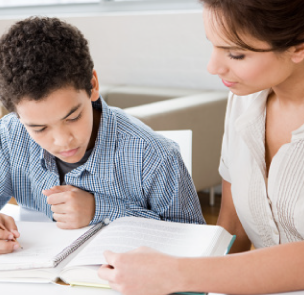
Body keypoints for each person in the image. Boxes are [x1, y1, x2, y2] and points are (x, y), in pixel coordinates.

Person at [0, 17, 205, 255]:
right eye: (39, 128)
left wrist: (100, 210)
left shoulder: (154, 155)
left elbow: (195, 243)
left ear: (92, 85)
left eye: (72, 117)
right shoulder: (12, 136)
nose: (62, 141)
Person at [98, 0, 304, 294]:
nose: (213, 67)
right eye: (213, 45)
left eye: (236, 54)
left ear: (298, 46)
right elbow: (233, 226)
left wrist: (176, 273)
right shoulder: (243, 100)